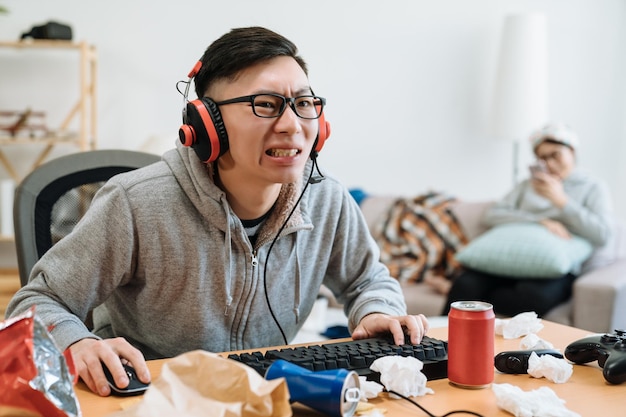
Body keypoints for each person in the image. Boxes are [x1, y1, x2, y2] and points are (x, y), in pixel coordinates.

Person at [6, 26, 428, 397]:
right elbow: (36, 301)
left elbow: (367, 278)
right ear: (208, 125)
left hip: (263, 397)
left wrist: (376, 310)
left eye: (304, 103)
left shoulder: (326, 198)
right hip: (148, 396)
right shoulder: (134, 203)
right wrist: (76, 343)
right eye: (265, 104)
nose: (292, 124)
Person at [443, 123, 613, 317]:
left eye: (555, 154)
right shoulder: (527, 185)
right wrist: (539, 220)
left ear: (572, 152)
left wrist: (562, 202)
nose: (549, 163)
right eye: (542, 158)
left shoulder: (593, 187)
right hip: (510, 260)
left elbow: (603, 234)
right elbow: (493, 214)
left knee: (532, 299)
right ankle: (441, 344)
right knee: (465, 285)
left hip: (555, 268)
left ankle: (478, 304)